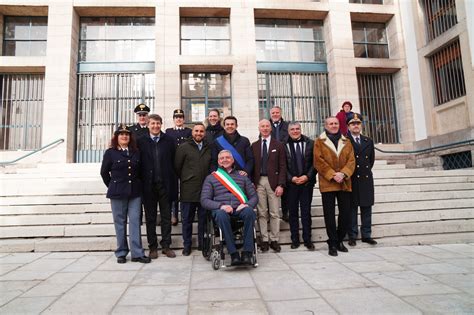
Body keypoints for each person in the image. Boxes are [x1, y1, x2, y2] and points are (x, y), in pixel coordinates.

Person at [100, 124, 151, 264]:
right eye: (121, 134)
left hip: (134, 192)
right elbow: (104, 172)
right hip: (117, 193)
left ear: (130, 137)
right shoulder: (110, 153)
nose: (124, 136)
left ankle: (137, 253)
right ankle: (121, 252)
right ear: (116, 137)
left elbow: (141, 172)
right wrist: (112, 185)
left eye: (127, 135)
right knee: (120, 223)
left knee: (135, 222)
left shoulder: (136, 152)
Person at [201, 150, 258, 266]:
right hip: (222, 211)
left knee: (249, 212)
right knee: (221, 215)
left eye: (228, 157)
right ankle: (233, 254)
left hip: (239, 209)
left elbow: (254, 197)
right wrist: (221, 206)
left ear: (232, 160)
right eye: (222, 158)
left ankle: (247, 253)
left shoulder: (243, 177)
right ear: (218, 161)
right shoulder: (211, 178)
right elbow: (204, 200)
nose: (225, 160)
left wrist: (247, 205)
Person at [314, 116, 355, 256]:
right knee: (329, 215)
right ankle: (332, 242)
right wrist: (333, 174)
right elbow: (318, 161)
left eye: (336, 123)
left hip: (344, 182)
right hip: (328, 183)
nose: (333, 125)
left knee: (345, 214)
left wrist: (343, 174)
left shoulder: (347, 141)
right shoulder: (319, 142)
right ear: (326, 126)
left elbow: (351, 161)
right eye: (331, 123)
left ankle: (339, 239)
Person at [137, 114, 177, 259]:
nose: (155, 126)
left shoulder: (169, 140)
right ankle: (152, 247)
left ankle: (166, 246)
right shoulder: (141, 141)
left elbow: (175, 162)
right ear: (148, 124)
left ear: (161, 124)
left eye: (158, 123)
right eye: (152, 123)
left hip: (165, 185)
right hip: (148, 186)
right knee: (151, 218)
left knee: (166, 217)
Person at [174, 123, 212, 256]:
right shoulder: (183, 147)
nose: (199, 133)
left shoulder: (209, 148)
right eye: (196, 131)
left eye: (201, 131)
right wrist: (187, 178)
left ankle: (202, 244)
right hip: (188, 189)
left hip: (205, 191)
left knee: (203, 220)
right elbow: (177, 167)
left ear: (204, 133)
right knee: (187, 220)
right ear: (192, 132)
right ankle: (187, 245)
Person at [251, 119, 286, 253]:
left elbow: (283, 166)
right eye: (262, 126)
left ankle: (274, 239)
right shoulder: (254, 146)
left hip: (274, 182)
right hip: (259, 182)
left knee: (274, 212)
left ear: (271, 128)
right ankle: (264, 240)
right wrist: (252, 183)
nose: (265, 128)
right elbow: (252, 166)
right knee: (261, 212)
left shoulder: (279, 145)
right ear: (259, 128)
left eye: (267, 126)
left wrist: (281, 184)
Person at [284, 122, 317, 251]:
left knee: (306, 212)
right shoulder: (283, 144)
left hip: (306, 183)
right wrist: (291, 178)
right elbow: (282, 164)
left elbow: (315, 163)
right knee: (292, 213)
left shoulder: (310, 143)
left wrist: (307, 176)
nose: (295, 131)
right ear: (288, 131)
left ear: (301, 129)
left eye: (297, 129)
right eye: (292, 129)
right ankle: (295, 239)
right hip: (291, 184)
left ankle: (308, 239)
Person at [346, 113, 377, 246]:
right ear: (348, 126)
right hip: (352, 178)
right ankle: (352, 235)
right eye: (353, 123)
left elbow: (371, 160)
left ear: (361, 125)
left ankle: (366, 235)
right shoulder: (345, 141)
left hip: (365, 179)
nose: (356, 126)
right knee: (352, 209)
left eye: (358, 123)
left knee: (366, 208)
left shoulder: (368, 141)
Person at [165, 109, 192, 226]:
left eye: (181, 117)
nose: (179, 119)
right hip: (172, 165)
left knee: (185, 189)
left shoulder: (188, 131)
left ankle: (186, 213)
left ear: (184, 119)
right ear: (173, 119)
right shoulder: (168, 131)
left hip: (186, 165)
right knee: (174, 190)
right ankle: (174, 214)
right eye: (176, 117)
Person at [269, 106, 290, 222]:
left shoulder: (287, 126)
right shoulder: (267, 125)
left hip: (285, 158)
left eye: (277, 112)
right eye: (273, 113)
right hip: (271, 160)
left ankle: (285, 212)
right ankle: (271, 213)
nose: (275, 114)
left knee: (285, 187)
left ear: (281, 113)